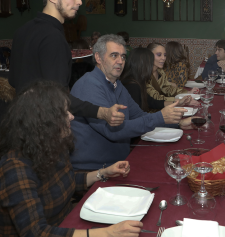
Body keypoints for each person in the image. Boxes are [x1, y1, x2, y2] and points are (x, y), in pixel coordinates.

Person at [0, 81, 144, 236]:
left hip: (68, 224)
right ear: (43, 122)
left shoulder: (50, 146)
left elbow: (66, 181)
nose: (72, 116)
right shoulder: (14, 168)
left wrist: (103, 173)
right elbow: (36, 232)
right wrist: (108, 233)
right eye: (64, 113)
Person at [8, 0, 124, 127]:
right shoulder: (53, 38)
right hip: (45, 130)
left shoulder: (21, 31)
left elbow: (14, 81)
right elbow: (59, 97)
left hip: (20, 125)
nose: (80, 1)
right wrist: (102, 112)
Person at [70, 35, 193, 170]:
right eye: (114, 55)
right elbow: (112, 130)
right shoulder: (89, 85)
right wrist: (160, 117)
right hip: (96, 170)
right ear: (98, 58)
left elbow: (138, 115)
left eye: (123, 56)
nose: (120, 61)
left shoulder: (117, 84)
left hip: (120, 162)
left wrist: (178, 123)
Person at [121, 47, 198, 112]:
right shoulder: (132, 86)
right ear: (142, 65)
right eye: (150, 63)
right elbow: (137, 118)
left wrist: (178, 102)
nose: (151, 66)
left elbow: (152, 102)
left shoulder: (138, 80)